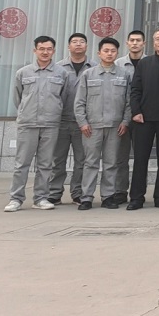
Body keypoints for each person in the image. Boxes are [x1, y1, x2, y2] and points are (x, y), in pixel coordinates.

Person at [4, 36, 68, 212]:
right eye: (41, 49)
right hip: (28, 123)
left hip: (51, 124)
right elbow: (18, 98)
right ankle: (16, 199)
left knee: (45, 164)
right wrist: (26, 112)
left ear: (54, 51)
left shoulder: (61, 73)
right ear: (35, 50)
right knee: (21, 164)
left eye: (49, 49)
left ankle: (41, 198)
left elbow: (63, 97)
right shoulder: (23, 73)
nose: (45, 52)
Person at [74, 38, 132, 210]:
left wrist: (125, 121)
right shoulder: (88, 74)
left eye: (113, 51)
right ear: (99, 53)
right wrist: (82, 122)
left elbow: (129, 102)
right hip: (92, 127)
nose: (109, 54)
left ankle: (108, 196)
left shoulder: (124, 74)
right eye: (106, 51)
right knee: (90, 162)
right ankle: (86, 197)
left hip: (115, 127)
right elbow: (79, 102)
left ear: (117, 53)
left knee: (111, 163)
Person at [127, 28, 159, 211]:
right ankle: (136, 198)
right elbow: (135, 90)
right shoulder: (144, 63)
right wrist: (136, 111)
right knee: (140, 159)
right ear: (153, 43)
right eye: (157, 39)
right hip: (144, 119)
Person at [49, 32, 94, 205]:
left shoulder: (94, 67)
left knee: (81, 160)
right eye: (74, 42)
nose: (78, 44)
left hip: (84, 123)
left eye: (82, 41)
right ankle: (54, 193)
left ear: (87, 46)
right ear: (68, 46)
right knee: (57, 160)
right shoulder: (58, 68)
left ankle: (78, 193)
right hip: (61, 121)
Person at [113, 30, 145, 205]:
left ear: (144, 43)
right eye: (132, 40)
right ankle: (120, 191)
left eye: (138, 40)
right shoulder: (117, 64)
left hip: (142, 117)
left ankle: (138, 193)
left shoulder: (149, 62)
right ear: (127, 43)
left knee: (141, 157)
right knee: (121, 156)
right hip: (121, 116)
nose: (135, 43)